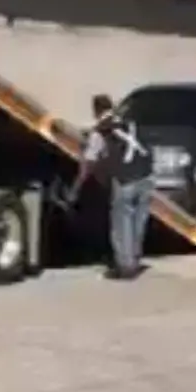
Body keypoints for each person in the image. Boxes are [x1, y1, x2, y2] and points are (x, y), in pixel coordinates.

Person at [70, 93, 153, 279]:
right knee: (138, 221)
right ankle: (135, 259)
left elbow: (89, 161)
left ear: (96, 111)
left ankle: (126, 267)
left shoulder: (100, 132)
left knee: (122, 222)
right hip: (146, 176)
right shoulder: (130, 122)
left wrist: (77, 186)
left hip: (125, 180)